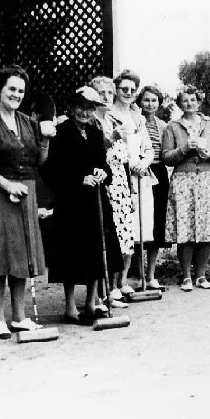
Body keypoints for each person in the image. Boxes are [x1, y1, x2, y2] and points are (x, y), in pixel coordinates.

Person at [0, 64, 55, 339]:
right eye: (12, 89)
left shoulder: (28, 122)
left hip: (26, 192)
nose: (16, 94)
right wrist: (6, 184)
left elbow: (39, 162)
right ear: (0, 89)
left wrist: (46, 140)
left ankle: (19, 317)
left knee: (22, 255)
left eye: (21, 90)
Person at [40, 86, 115, 323]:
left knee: (96, 251)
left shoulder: (94, 134)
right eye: (80, 107)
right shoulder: (60, 133)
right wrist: (78, 179)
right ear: (72, 108)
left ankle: (91, 303)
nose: (84, 112)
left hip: (95, 201)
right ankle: (71, 307)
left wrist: (103, 173)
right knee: (70, 254)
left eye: (89, 108)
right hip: (71, 201)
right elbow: (50, 171)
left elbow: (105, 165)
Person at [162, 85, 210, 291]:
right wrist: (184, 149)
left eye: (193, 99)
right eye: (185, 100)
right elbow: (166, 156)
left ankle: (201, 275)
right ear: (179, 103)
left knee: (207, 228)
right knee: (186, 229)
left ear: (199, 101)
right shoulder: (172, 126)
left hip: (208, 180)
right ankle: (187, 276)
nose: (189, 103)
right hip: (183, 181)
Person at [90, 75, 135, 302]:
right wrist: (110, 140)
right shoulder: (91, 122)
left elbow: (125, 159)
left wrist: (131, 191)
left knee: (123, 236)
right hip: (105, 185)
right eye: (101, 93)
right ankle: (103, 291)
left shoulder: (115, 122)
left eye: (109, 93)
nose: (106, 97)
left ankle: (118, 284)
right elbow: (96, 154)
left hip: (121, 186)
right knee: (109, 236)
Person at [112, 70, 154, 294]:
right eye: (124, 89)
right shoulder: (109, 114)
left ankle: (124, 280)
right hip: (118, 175)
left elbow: (148, 149)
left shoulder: (138, 118)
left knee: (134, 232)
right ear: (116, 90)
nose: (128, 93)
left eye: (132, 90)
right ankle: (113, 283)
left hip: (138, 176)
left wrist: (144, 162)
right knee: (120, 231)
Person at [136, 84, 172, 289]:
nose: (150, 104)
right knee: (139, 224)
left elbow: (165, 154)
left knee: (156, 224)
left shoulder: (163, 125)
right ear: (140, 101)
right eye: (146, 100)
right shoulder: (135, 121)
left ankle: (151, 275)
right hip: (139, 172)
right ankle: (137, 273)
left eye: (154, 100)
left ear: (159, 103)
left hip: (158, 174)